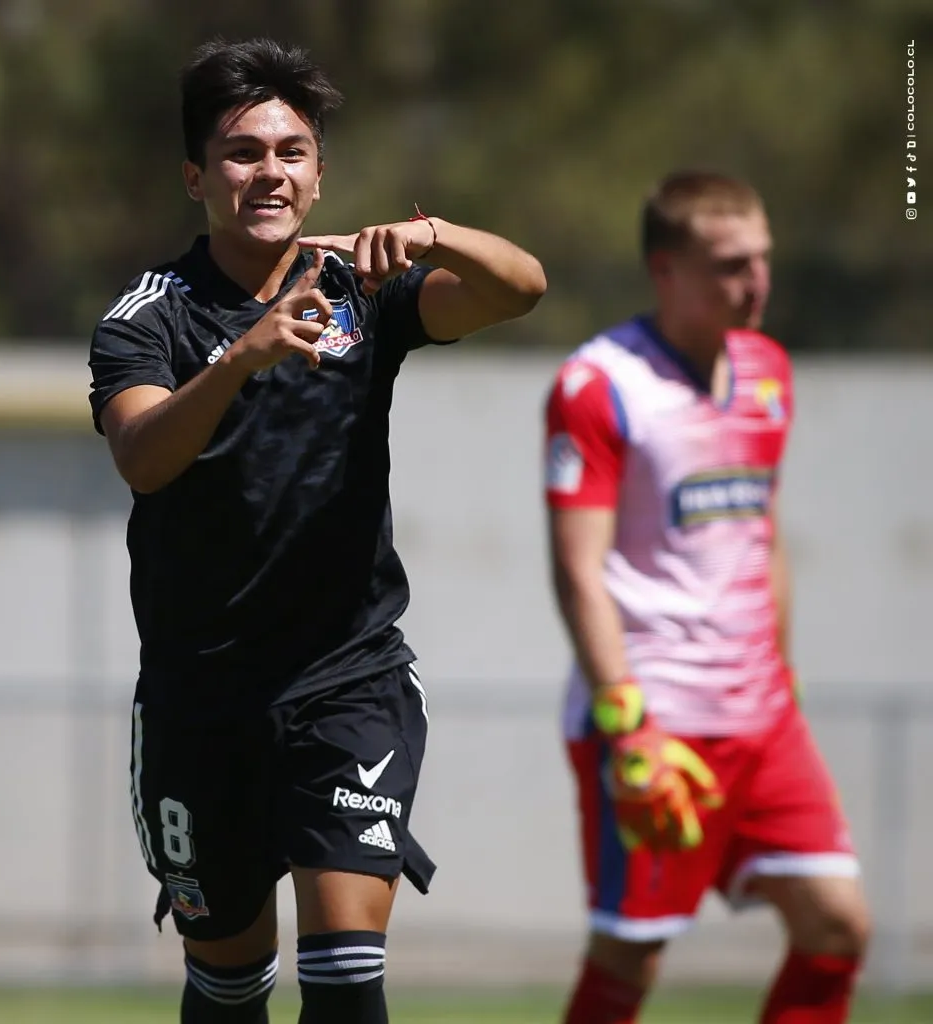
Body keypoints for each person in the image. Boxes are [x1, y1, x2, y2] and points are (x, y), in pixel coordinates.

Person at [88, 37, 545, 1024]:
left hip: (348, 679)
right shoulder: (147, 318)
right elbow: (142, 458)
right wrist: (237, 361)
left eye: (291, 151)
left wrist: (440, 236)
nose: (270, 172)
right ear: (195, 176)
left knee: (343, 974)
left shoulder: (361, 290)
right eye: (243, 152)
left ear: (319, 172)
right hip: (198, 695)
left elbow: (521, 288)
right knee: (228, 984)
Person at [544, 171, 868, 1024]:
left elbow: (763, 534)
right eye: (729, 264)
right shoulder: (599, 385)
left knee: (837, 926)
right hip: (655, 716)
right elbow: (578, 569)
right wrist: (626, 722)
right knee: (630, 954)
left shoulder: (768, 371)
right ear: (666, 270)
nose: (755, 281)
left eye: (761, 259)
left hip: (761, 717)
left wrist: (783, 677)